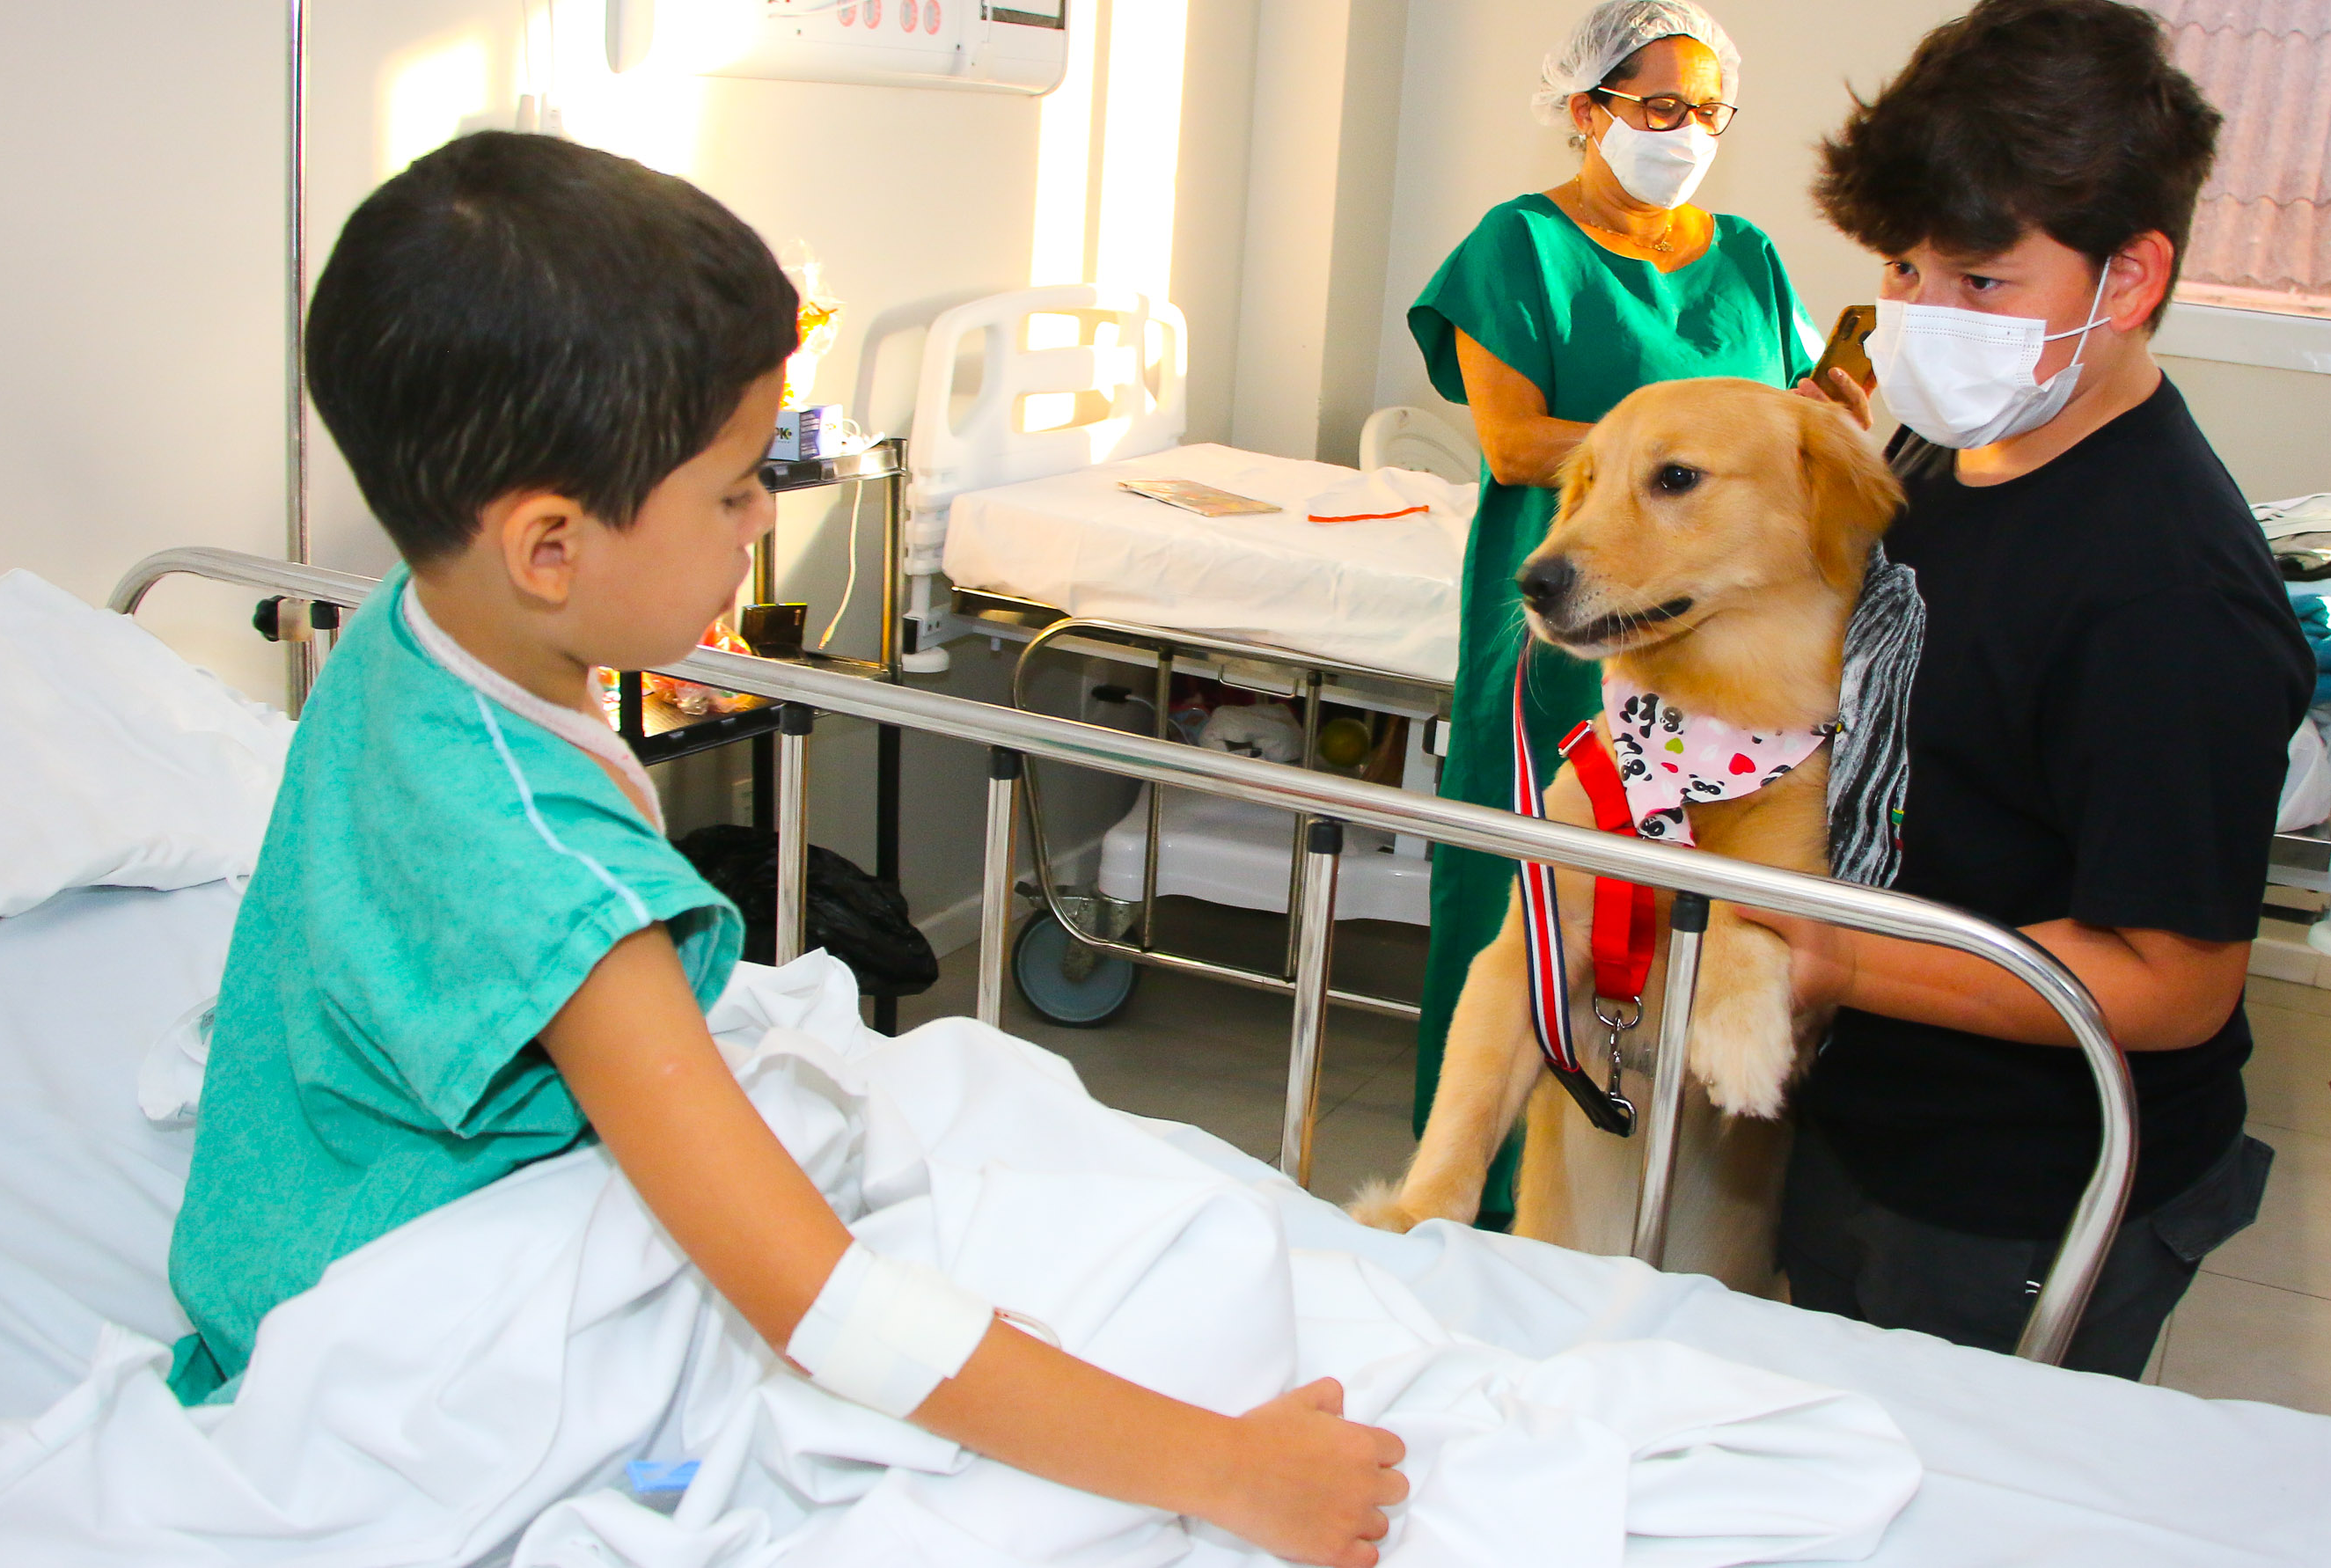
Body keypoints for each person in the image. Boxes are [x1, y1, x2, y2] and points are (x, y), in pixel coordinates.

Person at [165, 132, 1406, 1567]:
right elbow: (821, 1305)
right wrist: (1228, 1467)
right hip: (412, 1343)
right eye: (735, 487)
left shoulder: (409, 634)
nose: (766, 517)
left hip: (277, 1248)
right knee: (1162, 1272)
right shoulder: (559, 890)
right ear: (549, 548)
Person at [1741, 0, 2315, 1379]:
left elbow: (2173, 983)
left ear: (2131, 276)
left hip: (2025, 1187)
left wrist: (1828, 955)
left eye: (1985, 283)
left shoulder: (2170, 595)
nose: (1928, 320)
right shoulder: (1962, 441)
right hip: (1875, 1110)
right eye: (1905, 267)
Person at [1407, 0, 1846, 1225]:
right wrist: (1677, 456)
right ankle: (1468, 1193)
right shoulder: (1520, 247)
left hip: (1716, 648)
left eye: (1707, 110)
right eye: (1657, 106)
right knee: (1524, 905)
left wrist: (1818, 427)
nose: (1685, 130)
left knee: (1724, 908)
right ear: (1585, 108)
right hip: (1568, 617)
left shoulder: (1748, 255)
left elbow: (1789, 421)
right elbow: (1510, 443)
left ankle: (1644, 1191)